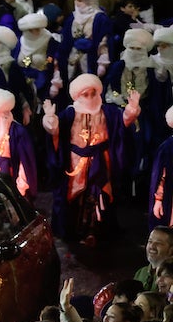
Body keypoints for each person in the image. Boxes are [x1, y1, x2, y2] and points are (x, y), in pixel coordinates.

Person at [42, 73, 140, 244]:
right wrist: (50, 120)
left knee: (99, 194)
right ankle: (76, 230)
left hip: (101, 161)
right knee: (76, 196)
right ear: (78, 96)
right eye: (85, 94)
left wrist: (131, 110)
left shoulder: (107, 111)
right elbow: (56, 133)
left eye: (93, 94)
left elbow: (122, 123)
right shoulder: (70, 113)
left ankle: (95, 231)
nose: (90, 98)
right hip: (76, 165)